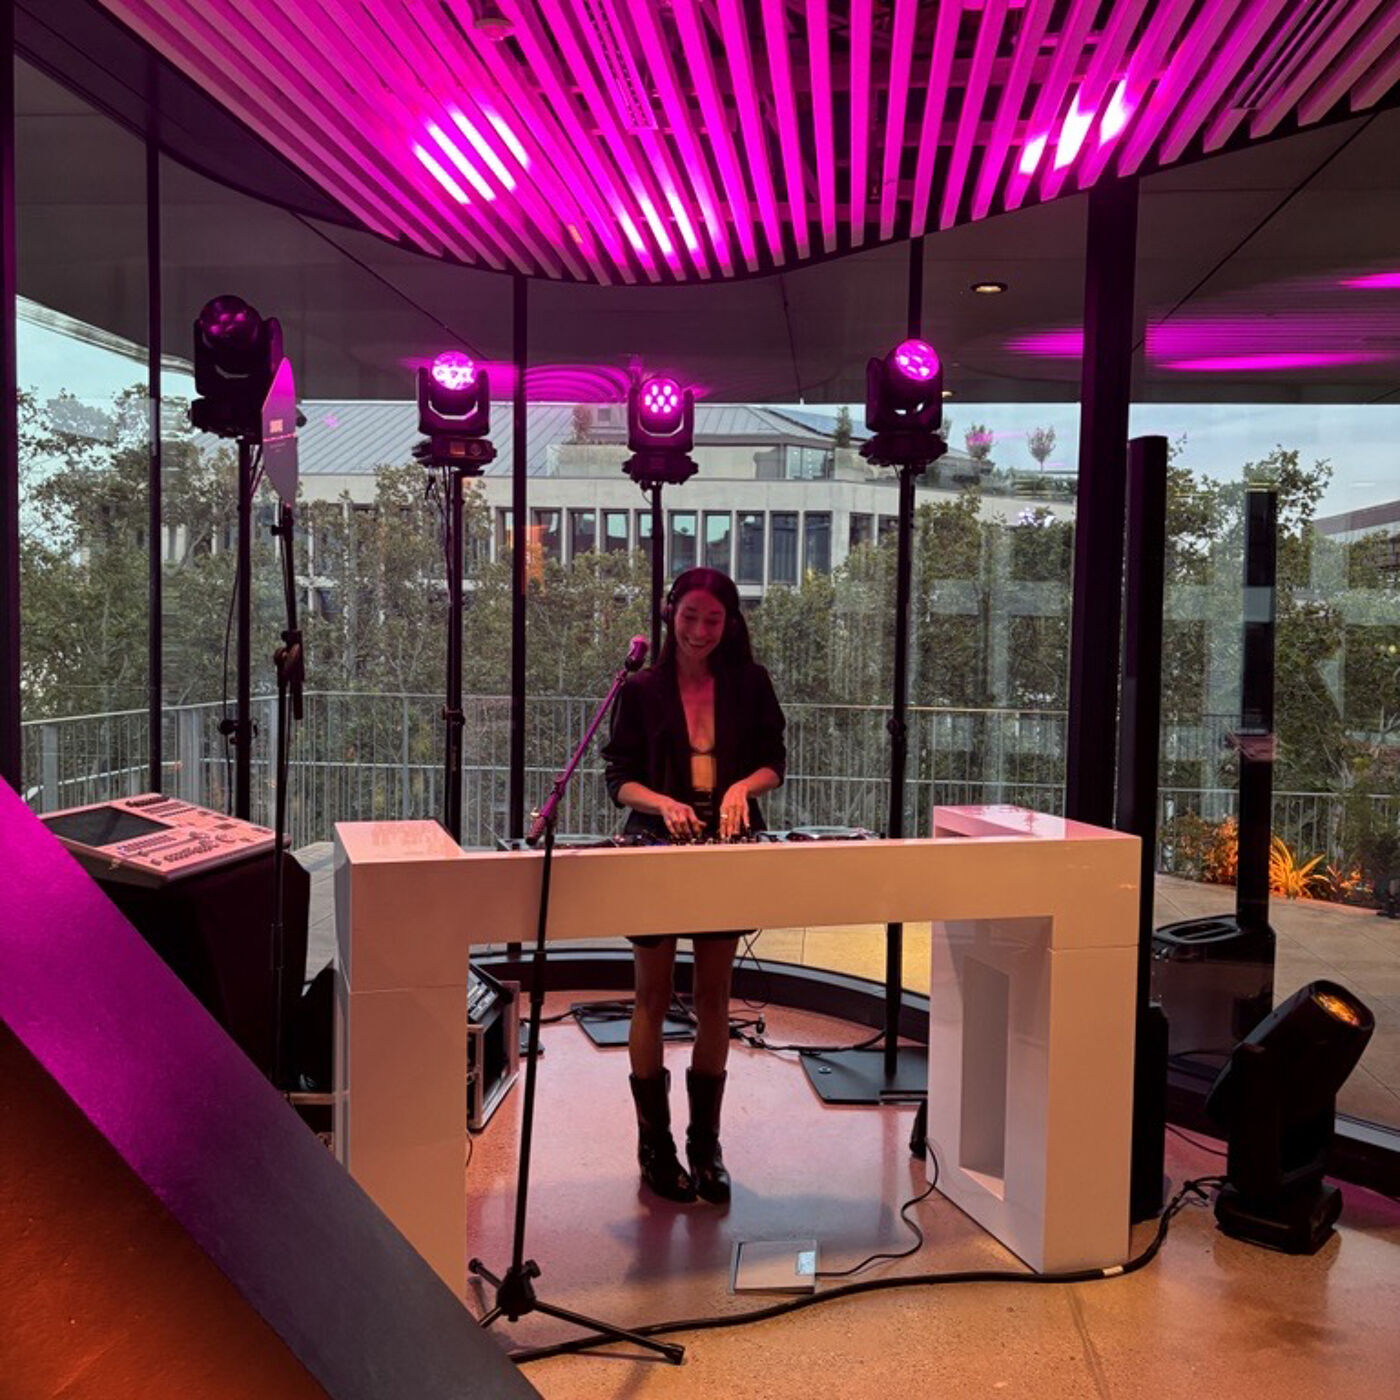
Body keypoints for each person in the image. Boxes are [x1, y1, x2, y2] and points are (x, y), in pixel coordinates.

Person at [602, 567, 786, 1204]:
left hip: (725, 848)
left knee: (715, 996)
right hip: (656, 845)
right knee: (650, 996)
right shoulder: (642, 688)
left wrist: (740, 788)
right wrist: (661, 802)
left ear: (729, 622)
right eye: (690, 619)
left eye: (713, 620)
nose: (701, 631)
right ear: (669, 614)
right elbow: (618, 779)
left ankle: (704, 1147)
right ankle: (655, 1147)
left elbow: (773, 764)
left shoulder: (750, 683)